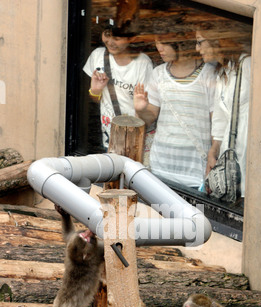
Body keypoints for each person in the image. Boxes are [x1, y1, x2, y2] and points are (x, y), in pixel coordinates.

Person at [134, 35, 216, 189]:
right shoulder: (158, 73)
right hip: (161, 166)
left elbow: (216, 122)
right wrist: (140, 110)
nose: (159, 48)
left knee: (195, 213)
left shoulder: (208, 73)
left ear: (181, 42)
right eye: (157, 42)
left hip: (196, 170)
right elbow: (150, 117)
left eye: (164, 42)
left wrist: (214, 156)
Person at [196, 31, 251, 198]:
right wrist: (214, 151)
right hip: (231, 154)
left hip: (249, 150)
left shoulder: (247, 65)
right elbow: (220, 118)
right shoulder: (222, 73)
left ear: (216, 39)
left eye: (200, 42)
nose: (197, 49)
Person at [83, 20, 153, 151]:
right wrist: (95, 91)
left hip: (134, 137)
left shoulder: (142, 64)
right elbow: (95, 100)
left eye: (116, 38)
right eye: (107, 35)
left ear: (131, 38)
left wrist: (140, 110)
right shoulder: (98, 56)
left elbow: (149, 110)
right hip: (109, 137)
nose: (109, 42)